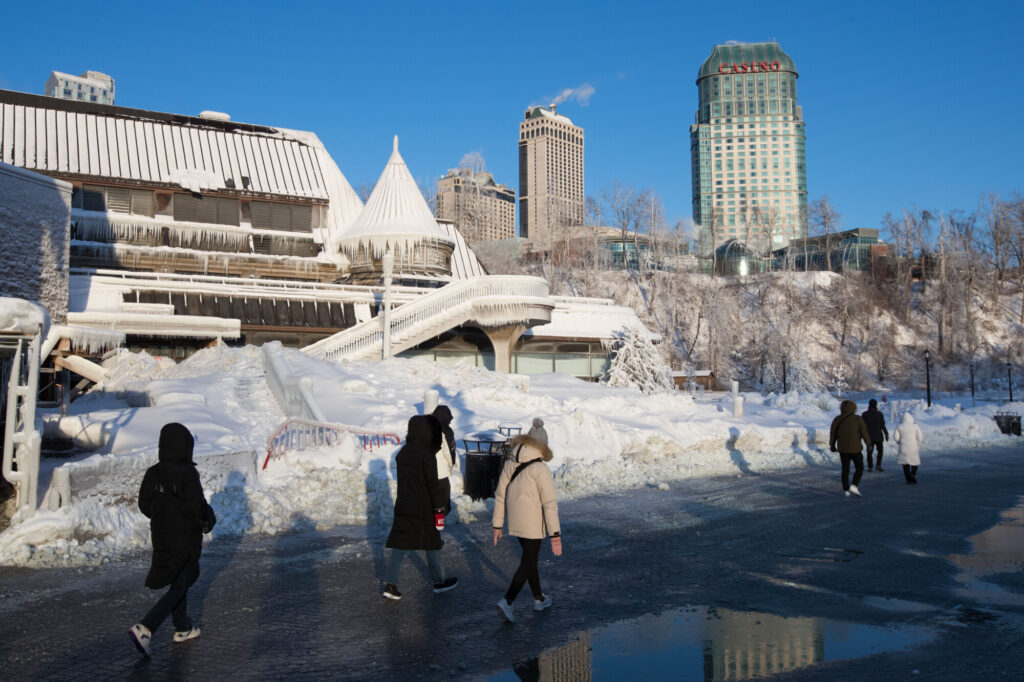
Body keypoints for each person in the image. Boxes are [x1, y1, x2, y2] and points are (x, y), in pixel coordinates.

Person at [130, 423, 215, 656]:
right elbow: (197, 507)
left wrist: (162, 518)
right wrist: (207, 519)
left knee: (180, 580)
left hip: (162, 536)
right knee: (182, 581)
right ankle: (146, 627)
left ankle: (182, 627)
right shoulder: (188, 473)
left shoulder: (153, 472)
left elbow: (144, 505)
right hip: (186, 537)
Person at [382, 415, 458, 600]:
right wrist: (439, 508)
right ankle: (439, 581)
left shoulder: (403, 452)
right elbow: (433, 485)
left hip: (404, 504)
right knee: (432, 543)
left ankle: (390, 585)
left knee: (400, 543)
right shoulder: (427, 455)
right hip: (424, 506)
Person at [492, 431, 562, 622]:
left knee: (530, 559)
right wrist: (555, 535)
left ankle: (539, 598)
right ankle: (508, 601)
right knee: (528, 562)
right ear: (541, 446)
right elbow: (549, 503)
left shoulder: (509, 463)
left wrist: (497, 525)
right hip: (533, 525)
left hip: (516, 522)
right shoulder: (540, 469)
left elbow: (500, 495)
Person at [829, 400, 871, 498]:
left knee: (845, 469)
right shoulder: (857, 419)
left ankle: (845, 489)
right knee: (859, 467)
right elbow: (864, 432)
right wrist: (868, 443)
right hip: (855, 448)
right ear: (854, 408)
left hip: (843, 449)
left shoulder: (837, 419)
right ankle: (854, 485)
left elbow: (833, 433)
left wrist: (832, 444)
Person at [432, 405, 457, 515]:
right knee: (442, 503)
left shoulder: (425, 426)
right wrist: (451, 465)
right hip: (440, 472)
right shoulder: (446, 430)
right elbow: (449, 451)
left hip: (425, 470)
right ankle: (437, 526)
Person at [894, 412, 924, 484]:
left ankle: (908, 478)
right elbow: (920, 436)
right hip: (913, 447)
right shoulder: (915, 426)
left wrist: (899, 442)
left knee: (905, 464)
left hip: (903, 447)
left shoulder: (899, 426)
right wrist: (918, 443)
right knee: (915, 462)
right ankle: (913, 474)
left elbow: (895, 436)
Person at [861, 399, 890, 472]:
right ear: (876, 405)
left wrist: (860, 436)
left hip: (869, 437)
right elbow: (882, 425)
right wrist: (886, 433)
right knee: (880, 451)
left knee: (869, 452)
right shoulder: (879, 414)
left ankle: (870, 467)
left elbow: (862, 427)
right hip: (878, 437)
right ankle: (878, 465)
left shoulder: (864, 414)